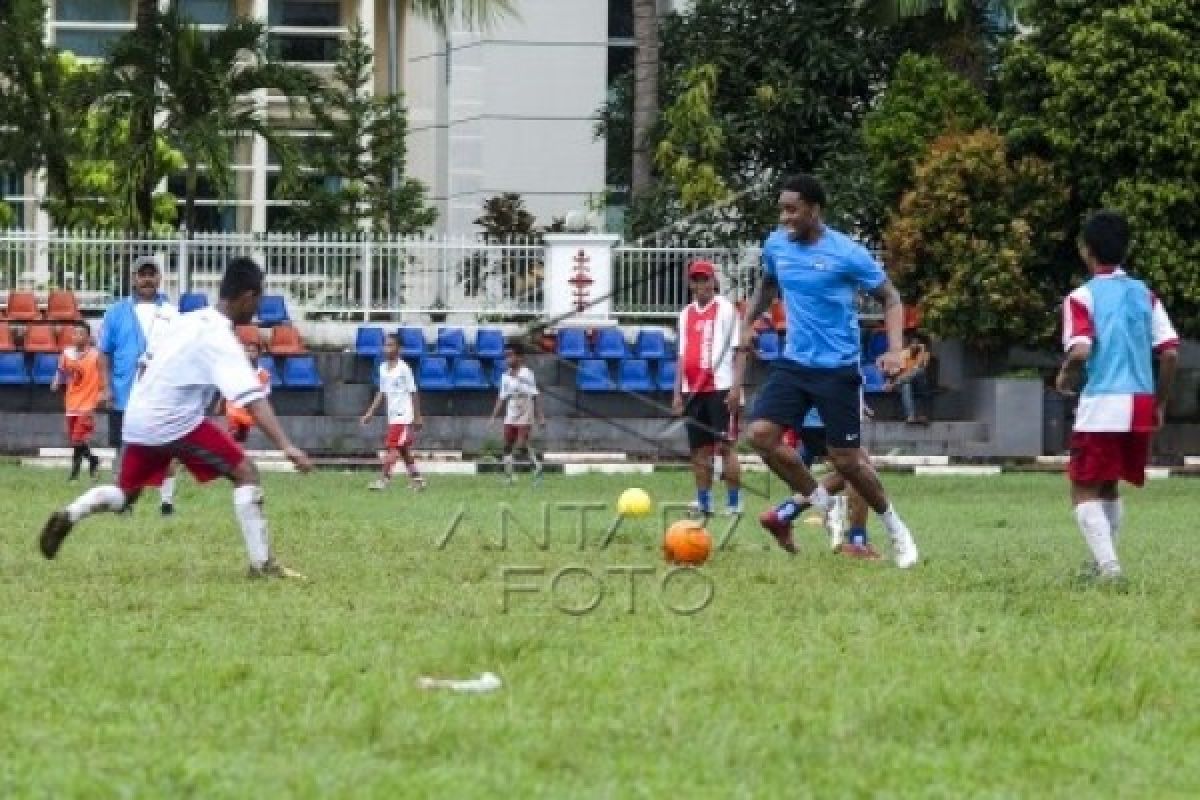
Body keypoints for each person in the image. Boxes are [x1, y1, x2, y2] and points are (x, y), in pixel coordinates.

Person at [39, 257, 314, 579]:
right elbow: (253, 398)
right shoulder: (219, 338)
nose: (258, 308)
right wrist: (287, 445)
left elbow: (147, 363)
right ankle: (262, 565)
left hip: (139, 417)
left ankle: (72, 513)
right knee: (246, 473)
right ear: (248, 297)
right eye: (259, 299)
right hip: (174, 422)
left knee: (126, 493)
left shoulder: (186, 320)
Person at [730, 173, 918, 568]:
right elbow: (767, 286)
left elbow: (891, 298)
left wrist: (896, 350)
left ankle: (896, 529)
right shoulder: (777, 245)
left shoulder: (847, 253)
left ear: (814, 210)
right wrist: (749, 322)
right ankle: (820, 502)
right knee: (761, 436)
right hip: (795, 363)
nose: (785, 217)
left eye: (792, 209)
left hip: (837, 370)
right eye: (781, 209)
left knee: (848, 461)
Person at [1056, 209, 1178, 584]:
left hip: (1104, 401)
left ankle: (1110, 570)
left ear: (1085, 250)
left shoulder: (1081, 297)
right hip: (1140, 402)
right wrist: (1159, 402)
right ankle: (1101, 564)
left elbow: (1081, 349)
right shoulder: (1146, 295)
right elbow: (1170, 352)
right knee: (1109, 483)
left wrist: (1063, 373)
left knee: (1082, 485)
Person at [98, 255, 181, 514]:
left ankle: (166, 501)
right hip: (124, 392)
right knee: (123, 449)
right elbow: (103, 353)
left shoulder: (171, 313)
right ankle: (122, 501)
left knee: (165, 446)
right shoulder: (116, 312)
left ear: (159, 278)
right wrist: (105, 387)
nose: (147, 279)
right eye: (142, 274)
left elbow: (179, 352)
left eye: (152, 274)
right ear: (134, 279)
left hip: (159, 393)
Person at [672, 259, 742, 516]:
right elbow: (681, 355)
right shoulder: (685, 314)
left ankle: (734, 503)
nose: (701, 284)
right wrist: (677, 392)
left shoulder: (726, 309)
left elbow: (738, 350)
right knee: (698, 450)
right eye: (696, 279)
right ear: (690, 283)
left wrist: (736, 388)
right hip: (693, 391)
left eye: (706, 279)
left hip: (720, 387)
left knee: (725, 446)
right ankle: (704, 502)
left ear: (714, 281)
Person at [360, 333, 427, 491]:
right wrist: (370, 412)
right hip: (392, 415)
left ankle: (384, 479)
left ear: (399, 348)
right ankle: (417, 480)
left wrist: (417, 417)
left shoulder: (404, 369)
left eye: (391, 345)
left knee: (393, 447)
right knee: (403, 450)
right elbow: (381, 392)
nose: (387, 348)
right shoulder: (383, 368)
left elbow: (413, 392)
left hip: (403, 416)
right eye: (385, 345)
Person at [51, 321, 104, 481]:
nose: (77, 336)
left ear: (89, 337)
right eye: (75, 333)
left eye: (81, 333)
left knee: (77, 440)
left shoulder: (96, 355)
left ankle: (74, 475)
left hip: (88, 403)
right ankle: (92, 461)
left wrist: (102, 392)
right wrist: (56, 381)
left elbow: (103, 375)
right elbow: (61, 371)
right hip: (71, 401)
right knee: (77, 442)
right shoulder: (67, 353)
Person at [489, 341, 545, 484]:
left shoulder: (527, 374)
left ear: (520, 357)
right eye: (506, 356)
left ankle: (537, 468)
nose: (507, 359)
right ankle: (509, 476)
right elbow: (502, 397)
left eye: (510, 356)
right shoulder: (505, 376)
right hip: (512, 409)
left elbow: (535, 395)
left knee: (521, 444)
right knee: (507, 444)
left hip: (525, 408)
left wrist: (540, 416)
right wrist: (493, 416)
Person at [224, 340, 271, 443]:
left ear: (259, 354)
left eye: (253, 351)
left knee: (241, 435)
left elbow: (264, 395)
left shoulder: (264, 374)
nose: (250, 354)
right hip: (235, 408)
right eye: (247, 351)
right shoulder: (236, 371)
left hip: (251, 410)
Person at [884, 333, 931, 424]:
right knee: (906, 384)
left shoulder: (925, 354)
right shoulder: (905, 353)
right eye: (913, 343)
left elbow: (918, 367)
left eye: (917, 343)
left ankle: (913, 415)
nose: (914, 345)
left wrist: (922, 350)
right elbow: (895, 372)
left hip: (918, 384)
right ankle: (911, 415)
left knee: (919, 371)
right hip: (903, 383)